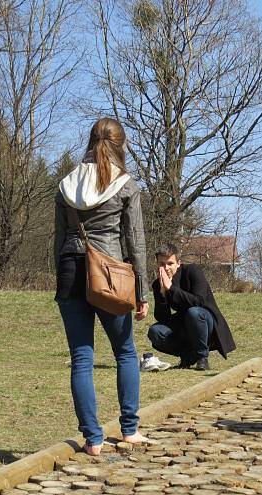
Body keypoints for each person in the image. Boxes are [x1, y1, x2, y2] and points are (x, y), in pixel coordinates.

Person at [54, 117, 150, 456]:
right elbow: (135, 242)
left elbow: (59, 239)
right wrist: (142, 291)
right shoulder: (126, 185)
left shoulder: (66, 184)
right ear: (120, 145)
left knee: (82, 357)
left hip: (70, 270)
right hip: (109, 274)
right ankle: (129, 430)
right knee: (124, 351)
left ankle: (93, 439)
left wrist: (61, 283)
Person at [147, 244, 236, 371]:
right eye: (162, 264)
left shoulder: (193, 271)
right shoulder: (158, 284)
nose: (165, 268)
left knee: (193, 313)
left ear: (178, 263)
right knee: (155, 331)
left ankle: (202, 358)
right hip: (184, 323)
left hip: (205, 319)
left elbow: (199, 301)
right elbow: (163, 317)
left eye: (170, 263)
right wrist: (162, 294)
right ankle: (188, 355)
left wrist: (171, 289)